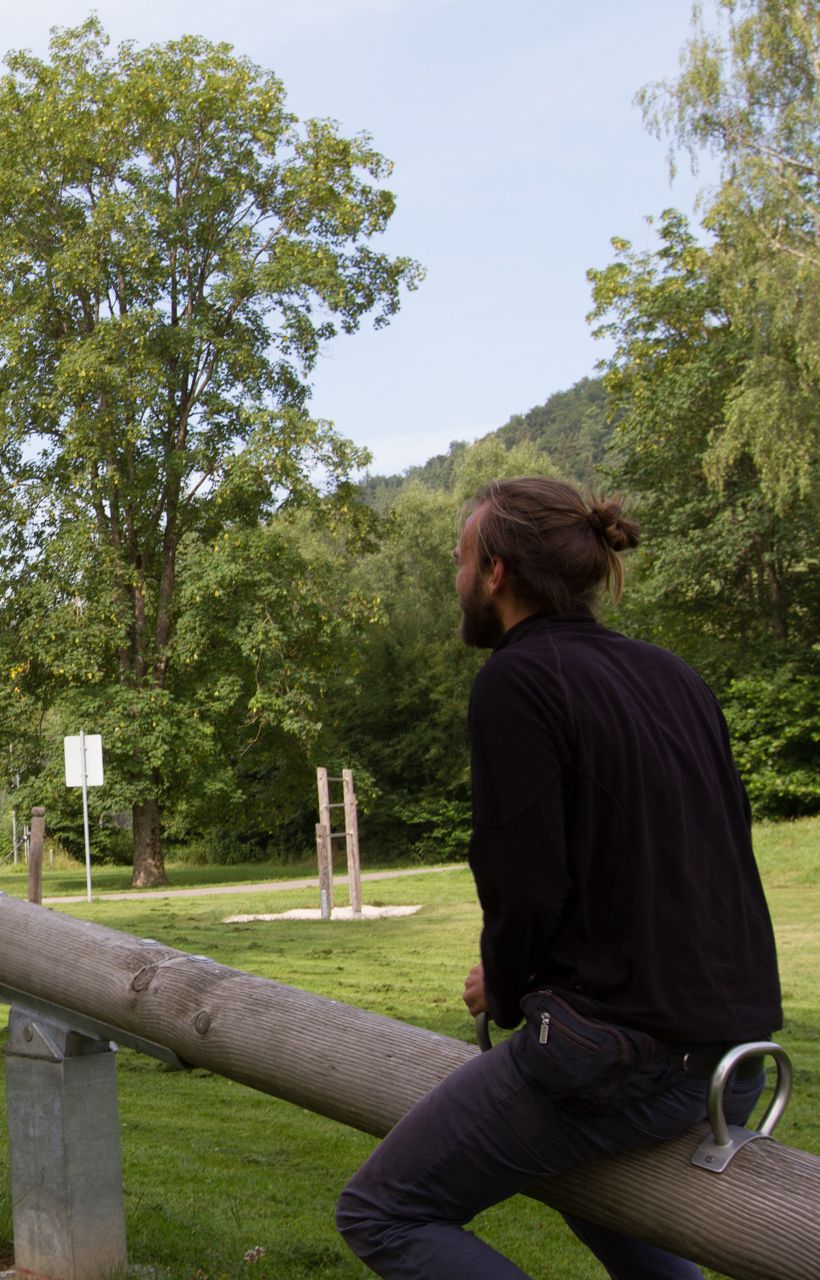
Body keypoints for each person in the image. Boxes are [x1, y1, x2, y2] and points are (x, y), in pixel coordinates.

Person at [335, 477, 782, 1279]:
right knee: (584, 1185)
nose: (458, 578)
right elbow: (705, 860)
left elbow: (524, 883)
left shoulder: (518, 681)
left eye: (461, 558)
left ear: (497, 573)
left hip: (624, 1062)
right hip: (737, 1055)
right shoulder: (674, 676)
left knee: (384, 1210)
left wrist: (505, 995)